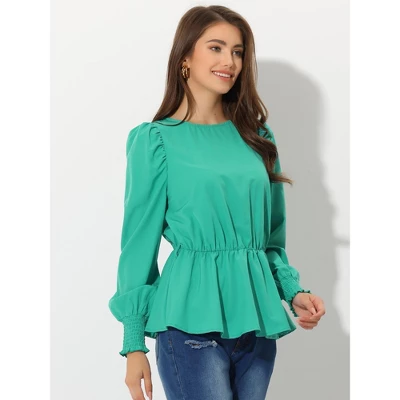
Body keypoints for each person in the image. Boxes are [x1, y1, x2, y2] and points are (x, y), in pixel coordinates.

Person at [108, 5, 326, 400]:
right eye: (216, 48)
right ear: (185, 58)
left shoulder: (258, 137)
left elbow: (270, 239)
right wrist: (134, 342)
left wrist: (292, 291)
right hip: (187, 325)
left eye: (238, 52)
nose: (230, 61)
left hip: (257, 323)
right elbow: (138, 245)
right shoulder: (155, 141)